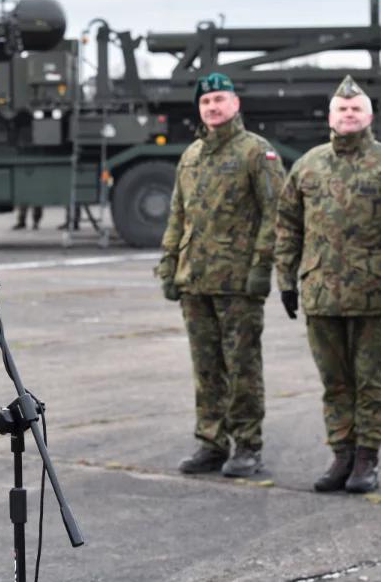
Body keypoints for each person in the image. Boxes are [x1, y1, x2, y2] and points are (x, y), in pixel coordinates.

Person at [274, 76, 381, 494]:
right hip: (320, 292)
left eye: (356, 108)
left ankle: (366, 459)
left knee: (368, 379)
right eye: (342, 109)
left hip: (372, 292)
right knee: (334, 381)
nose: (349, 115)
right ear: (330, 117)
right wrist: (286, 279)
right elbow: (288, 225)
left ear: (370, 115)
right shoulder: (308, 165)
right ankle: (341, 454)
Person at [156, 72, 285, 478]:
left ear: (236, 104)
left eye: (220, 99)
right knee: (206, 367)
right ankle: (211, 441)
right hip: (195, 280)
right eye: (206, 101)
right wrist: (169, 263)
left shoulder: (255, 153)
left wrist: (262, 268)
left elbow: (274, 214)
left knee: (242, 366)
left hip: (238, 282)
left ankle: (247, 444)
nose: (213, 107)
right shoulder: (192, 155)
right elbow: (178, 214)